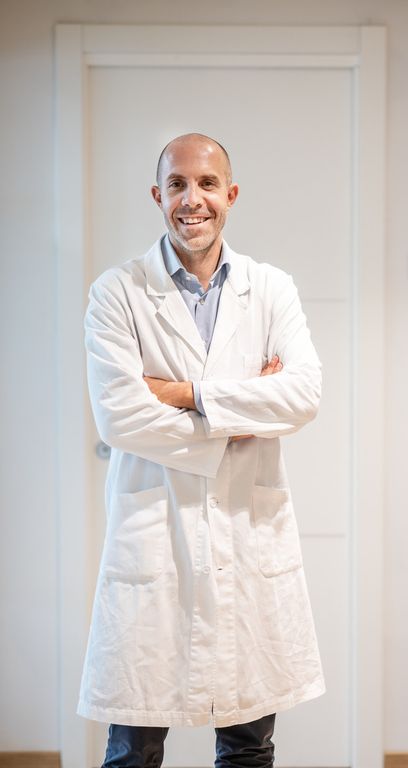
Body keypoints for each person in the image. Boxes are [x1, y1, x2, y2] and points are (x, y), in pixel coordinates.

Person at [78, 133, 325, 768]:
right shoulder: (117, 291)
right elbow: (120, 417)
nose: (193, 199)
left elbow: (302, 397)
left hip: (248, 536)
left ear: (230, 194)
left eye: (208, 184)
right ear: (157, 195)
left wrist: (184, 394)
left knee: (248, 748)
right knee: (133, 752)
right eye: (178, 185)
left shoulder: (271, 288)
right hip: (153, 541)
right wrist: (243, 414)